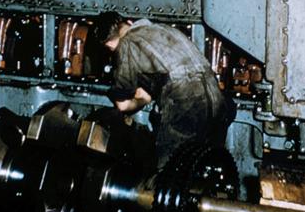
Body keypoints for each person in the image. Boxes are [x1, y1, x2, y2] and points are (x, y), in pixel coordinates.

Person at [91, 12, 234, 167]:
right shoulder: (163, 29)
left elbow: (123, 104)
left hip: (186, 101)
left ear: (109, 44)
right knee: (206, 166)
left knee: (170, 171)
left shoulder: (126, 44)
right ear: (129, 22)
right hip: (216, 98)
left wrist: (139, 99)